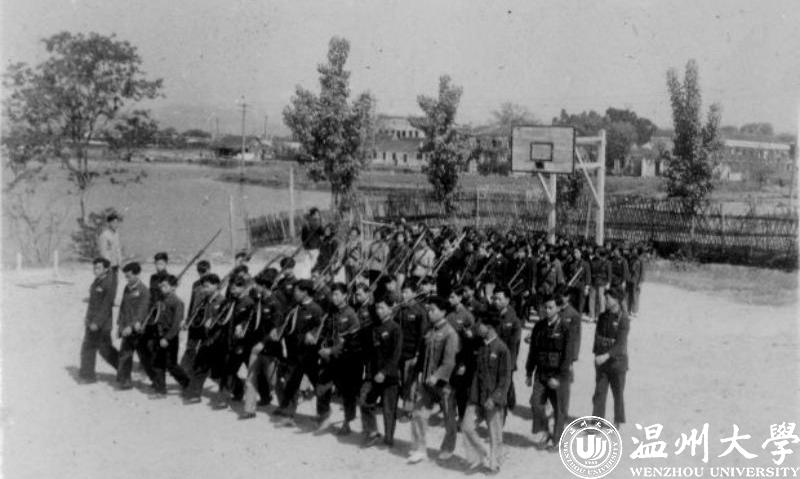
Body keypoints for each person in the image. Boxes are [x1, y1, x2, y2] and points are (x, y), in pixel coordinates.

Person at [408, 296, 460, 464]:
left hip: (445, 384)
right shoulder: (428, 331)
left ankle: (448, 448)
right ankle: (420, 449)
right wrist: (418, 375)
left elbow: (449, 362)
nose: (429, 313)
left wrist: (437, 376)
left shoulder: (450, 333)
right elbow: (422, 356)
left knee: (449, 418)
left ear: (443, 312)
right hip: (426, 382)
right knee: (418, 414)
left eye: (433, 310)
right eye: (428, 310)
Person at [461, 314, 512, 473]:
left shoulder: (502, 348)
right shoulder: (480, 345)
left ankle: (494, 464)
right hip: (476, 396)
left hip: (492, 399)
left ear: (489, 327)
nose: (477, 327)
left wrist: (495, 398)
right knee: (466, 427)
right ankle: (480, 456)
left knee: (494, 433)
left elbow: (505, 379)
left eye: (480, 324)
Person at [525, 295, 576, 451]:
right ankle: (545, 431)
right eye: (545, 307)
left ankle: (557, 439)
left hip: (558, 374)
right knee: (536, 403)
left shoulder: (565, 328)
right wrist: (529, 372)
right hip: (541, 373)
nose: (547, 310)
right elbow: (533, 351)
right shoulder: (539, 326)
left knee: (559, 408)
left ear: (558, 308)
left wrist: (558, 377)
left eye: (550, 307)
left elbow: (568, 356)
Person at [274, 279, 325, 427]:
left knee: (318, 385)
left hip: (309, 355)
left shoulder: (316, 309)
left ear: (305, 292)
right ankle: (289, 415)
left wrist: (312, 334)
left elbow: (322, 330)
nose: (294, 293)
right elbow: (287, 327)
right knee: (291, 384)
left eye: (297, 291)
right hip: (294, 354)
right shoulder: (294, 308)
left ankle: (323, 414)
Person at [317, 282, 362, 434]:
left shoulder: (351, 315)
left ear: (345, 296)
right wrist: (323, 347)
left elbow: (352, 340)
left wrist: (332, 350)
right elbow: (326, 333)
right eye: (332, 294)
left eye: (337, 294)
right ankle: (324, 417)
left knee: (347, 393)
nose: (334, 298)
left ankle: (347, 423)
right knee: (322, 387)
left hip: (346, 360)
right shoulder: (331, 313)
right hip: (330, 359)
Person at [359, 297, 402, 448]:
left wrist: (384, 372)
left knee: (388, 409)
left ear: (391, 309)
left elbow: (396, 355)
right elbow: (368, 352)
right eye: (377, 308)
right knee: (364, 401)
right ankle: (372, 432)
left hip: (389, 376)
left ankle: (389, 438)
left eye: (382, 308)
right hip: (373, 374)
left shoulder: (395, 328)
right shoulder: (373, 328)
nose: (379, 311)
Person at [146, 274, 191, 397]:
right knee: (157, 363)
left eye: (165, 286)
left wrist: (167, 338)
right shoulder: (160, 300)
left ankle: (187, 384)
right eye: (161, 286)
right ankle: (160, 390)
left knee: (171, 365)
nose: (162, 288)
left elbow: (176, 324)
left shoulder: (177, 302)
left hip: (169, 337)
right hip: (158, 334)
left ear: (173, 287)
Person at [592, 288, 630, 430]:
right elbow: (597, 337)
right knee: (599, 393)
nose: (605, 301)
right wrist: (596, 354)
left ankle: (617, 420)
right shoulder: (602, 317)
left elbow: (620, 345)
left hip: (617, 363)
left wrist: (605, 356)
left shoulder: (623, 319)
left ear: (616, 300)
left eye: (608, 298)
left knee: (618, 394)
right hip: (602, 363)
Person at [78, 258, 120, 383]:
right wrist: (88, 319)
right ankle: (87, 376)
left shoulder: (109, 282)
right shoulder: (98, 280)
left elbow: (106, 305)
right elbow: (95, 300)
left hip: (101, 324)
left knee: (102, 350)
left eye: (98, 268)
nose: (95, 270)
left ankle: (124, 370)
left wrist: (97, 322)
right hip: (92, 321)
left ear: (106, 269)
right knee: (91, 348)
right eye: (94, 267)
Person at [395, 281, 427, 419]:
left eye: (406, 292)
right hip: (399, 352)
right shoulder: (400, 310)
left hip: (412, 352)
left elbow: (423, 334)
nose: (404, 295)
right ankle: (409, 404)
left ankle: (408, 411)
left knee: (410, 381)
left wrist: (418, 354)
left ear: (414, 293)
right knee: (401, 381)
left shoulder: (420, 311)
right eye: (402, 292)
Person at [116, 262, 150, 390]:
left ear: (137, 274)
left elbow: (142, 312)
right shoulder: (127, 288)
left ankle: (157, 382)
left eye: (129, 276)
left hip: (137, 329)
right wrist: (120, 325)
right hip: (126, 328)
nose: (127, 279)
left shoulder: (144, 290)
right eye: (126, 276)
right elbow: (123, 308)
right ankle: (125, 381)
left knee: (144, 356)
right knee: (125, 354)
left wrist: (130, 326)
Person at [492, 287, 521, 413]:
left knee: (506, 382)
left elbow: (514, 345)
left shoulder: (514, 320)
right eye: (494, 299)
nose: (496, 302)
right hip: (493, 355)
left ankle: (508, 403)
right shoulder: (491, 314)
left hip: (507, 357)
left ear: (508, 300)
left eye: (499, 299)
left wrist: (511, 363)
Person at [97, 212, 123, 298]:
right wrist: (107, 265)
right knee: (107, 283)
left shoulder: (116, 234)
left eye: (117, 222)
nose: (116, 224)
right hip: (108, 264)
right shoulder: (104, 235)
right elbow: (103, 251)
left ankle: (111, 300)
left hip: (115, 264)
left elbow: (118, 249)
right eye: (113, 222)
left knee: (115, 283)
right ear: (109, 223)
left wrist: (120, 262)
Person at [299, 207, 324, 279]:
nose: (318, 216)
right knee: (311, 266)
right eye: (316, 214)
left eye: (318, 215)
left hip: (313, 248)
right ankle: (311, 279)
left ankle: (309, 279)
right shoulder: (311, 224)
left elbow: (322, 233)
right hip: (312, 249)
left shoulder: (310, 223)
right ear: (312, 215)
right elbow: (322, 232)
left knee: (310, 266)